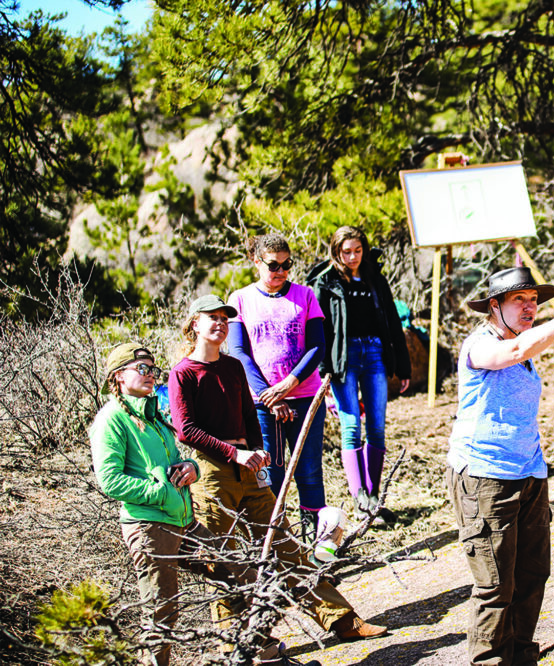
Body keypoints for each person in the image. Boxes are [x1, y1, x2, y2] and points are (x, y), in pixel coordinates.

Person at [170, 294, 387, 645]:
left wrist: (256, 450)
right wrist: (233, 454)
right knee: (223, 561)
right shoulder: (183, 373)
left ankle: (342, 621)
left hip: (249, 465)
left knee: (286, 546)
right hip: (212, 473)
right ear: (194, 323)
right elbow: (186, 430)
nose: (220, 324)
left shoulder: (232, 366)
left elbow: (250, 412)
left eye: (225, 318)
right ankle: (241, 646)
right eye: (212, 318)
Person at [89, 342, 294, 666]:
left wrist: (192, 469)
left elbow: (178, 462)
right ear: (118, 376)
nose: (149, 374)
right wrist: (162, 492)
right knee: (161, 611)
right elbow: (110, 481)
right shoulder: (111, 420)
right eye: (140, 368)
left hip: (183, 520)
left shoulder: (154, 416)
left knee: (236, 571)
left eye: (152, 369)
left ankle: (260, 653)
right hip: (149, 526)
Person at [448, 267, 554, 666]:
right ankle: (489, 661)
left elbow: (525, 350)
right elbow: (512, 354)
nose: (530, 307)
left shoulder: (526, 345)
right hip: (485, 477)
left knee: (532, 575)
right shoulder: (479, 345)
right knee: (495, 584)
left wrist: (538, 471)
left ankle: (519, 655)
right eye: (520, 300)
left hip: (528, 473)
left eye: (534, 300)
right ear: (494, 306)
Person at [307, 226, 411, 521]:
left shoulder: (375, 278)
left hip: (376, 352)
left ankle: (374, 495)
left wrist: (403, 365)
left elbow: (391, 320)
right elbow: (320, 328)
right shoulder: (326, 281)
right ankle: (359, 499)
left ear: (363, 249)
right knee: (351, 425)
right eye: (346, 251)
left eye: (357, 250)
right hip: (344, 358)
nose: (352, 256)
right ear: (336, 251)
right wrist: (323, 370)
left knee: (377, 426)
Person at [227, 233, 327, 536]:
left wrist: (288, 384)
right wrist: (270, 395)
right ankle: (277, 547)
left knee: (309, 473)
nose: (280, 272)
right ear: (256, 262)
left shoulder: (305, 295)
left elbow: (317, 347)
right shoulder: (241, 299)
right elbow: (239, 352)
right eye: (273, 265)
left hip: (304, 397)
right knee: (271, 474)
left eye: (287, 265)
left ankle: (315, 545)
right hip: (261, 404)